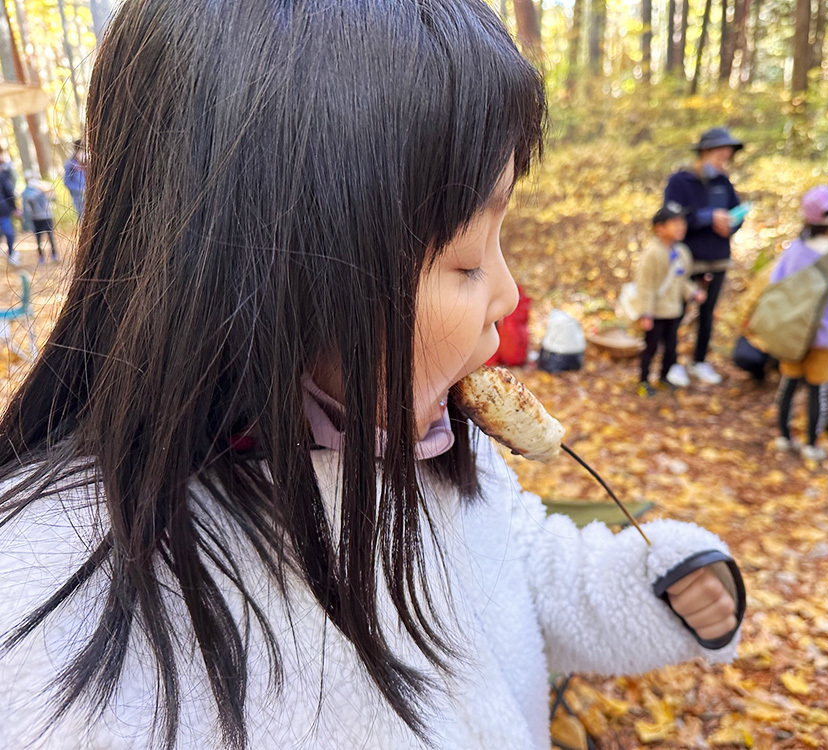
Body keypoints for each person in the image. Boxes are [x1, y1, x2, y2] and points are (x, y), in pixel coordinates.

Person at [0, 2, 745, 748]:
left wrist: (656, 585)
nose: (509, 295)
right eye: (466, 260)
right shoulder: (62, 605)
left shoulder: (441, 447)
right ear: (283, 276)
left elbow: (526, 565)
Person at [770, 186, 828, 462]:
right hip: (824, 337)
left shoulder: (793, 252)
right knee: (817, 390)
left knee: (788, 384)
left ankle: (783, 437)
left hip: (792, 333)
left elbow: (776, 285)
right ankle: (811, 444)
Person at [663, 126, 745, 386]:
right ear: (706, 151)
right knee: (677, 310)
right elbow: (671, 215)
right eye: (721, 152)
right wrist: (708, 217)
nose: (725, 158)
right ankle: (671, 362)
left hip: (718, 257)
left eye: (728, 154)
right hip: (688, 258)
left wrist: (730, 224)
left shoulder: (724, 182)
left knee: (708, 312)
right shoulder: (680, 180)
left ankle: (699, 361)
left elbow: (737, 213)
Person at [635, 201, 705, 395]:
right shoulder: (652, 254)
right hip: (656, 311)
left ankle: (664, 376)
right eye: (674, 223)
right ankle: (644, 380)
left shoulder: (682, 252)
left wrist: (693, 292)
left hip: (673, 310)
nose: (680, 226)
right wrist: (646, 313)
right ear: (660, 228)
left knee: (671, 347)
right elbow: (645, 286)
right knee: (651, 347)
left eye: (682, 222)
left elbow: (682, 280)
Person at [21, 174, 57, 263]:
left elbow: (53, 198)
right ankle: (45, 256)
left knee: (46, 237)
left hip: (42, 217)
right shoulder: (29, 193)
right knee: (43, 238)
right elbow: (27, 208)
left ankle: (51, 255)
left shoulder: (42, 190)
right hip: (41, 217)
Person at [0, 149, 17, 262]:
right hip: (3, 209)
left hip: (3, 210)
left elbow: (8, 190)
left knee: (9, 233)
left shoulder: (3, 173)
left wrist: (14, 207)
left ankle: (11, 253)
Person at [63, 138, 87, 219]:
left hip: (89, 192)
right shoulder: (70, 165)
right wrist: (79, 190)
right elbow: (66, 181)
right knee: (83, 215)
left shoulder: (88, 163)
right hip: (78, 195)